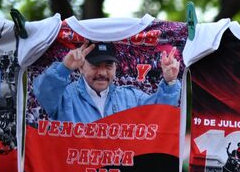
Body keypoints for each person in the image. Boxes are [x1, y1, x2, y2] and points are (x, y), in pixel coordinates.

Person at [34, 40, 182, 124]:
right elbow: (43, 93)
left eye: (108, 66)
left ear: (116, 68)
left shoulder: (132, 98)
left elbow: (159, 114)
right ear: (80, 67)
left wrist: (170, 82)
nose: (102, 73)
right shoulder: (65, 97)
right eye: (95, 66)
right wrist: (63, 69)